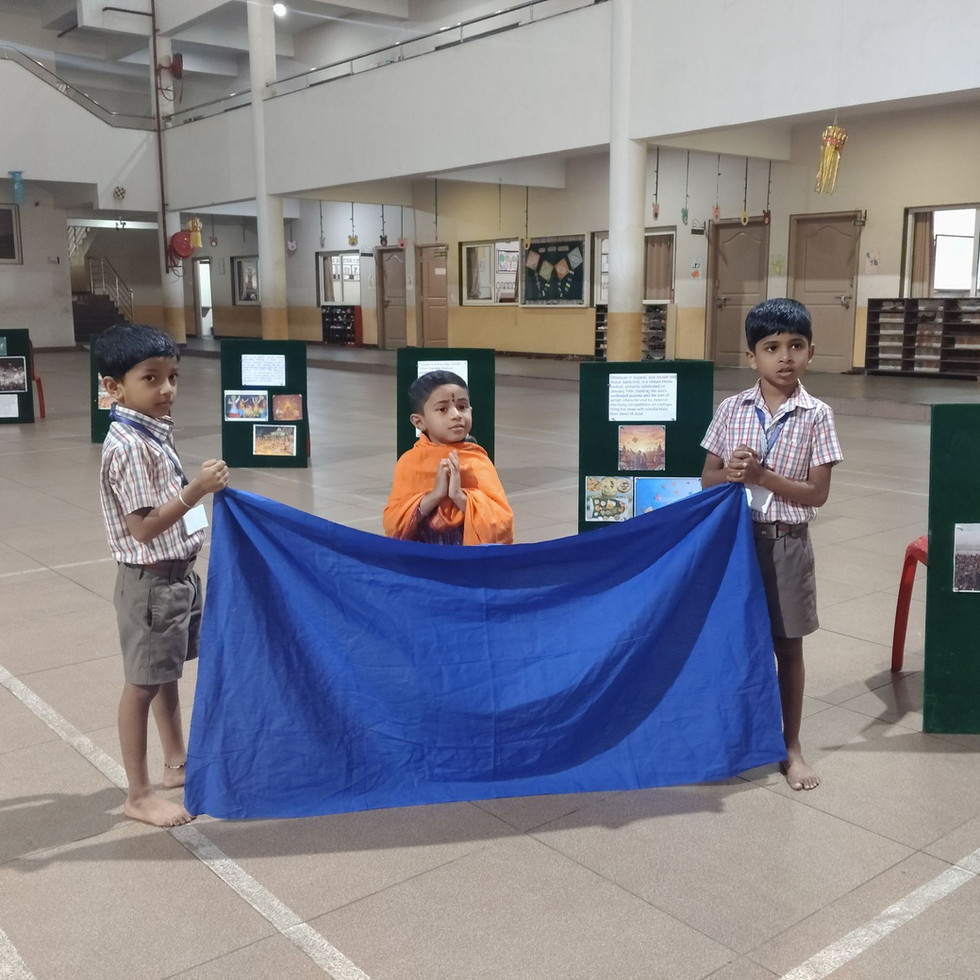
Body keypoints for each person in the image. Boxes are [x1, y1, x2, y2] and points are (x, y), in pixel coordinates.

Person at [700, 298, 842, 791]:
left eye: (796, 346)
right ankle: (732, 736)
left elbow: (817, 492)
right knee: (735, 641)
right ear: (751, 356)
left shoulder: (817, 415)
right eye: (772, 347)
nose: (785, 357)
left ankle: (791, 746)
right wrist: (733, 474)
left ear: (810, 352)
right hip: (736, 546)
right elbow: (708, 480)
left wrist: (763, 476)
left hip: (787, 545)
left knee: (788, 645)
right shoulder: (731, 409)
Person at [93, 323, 230, 827]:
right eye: (151, 379)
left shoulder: (149, 432)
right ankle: (139, 793)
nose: (166, 389)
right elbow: (145, 527)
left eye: (172, 376)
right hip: (150, 582)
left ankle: (177, 762)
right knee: (143, 683)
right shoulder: (130, 445)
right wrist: (196, 489)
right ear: (114, 387)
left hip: (175, 579)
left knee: (165, 671)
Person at [384, 370, 513, 545]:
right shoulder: (409, 462)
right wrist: (435, 495)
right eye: (443, 409)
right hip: (424, 562)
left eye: (462, 407)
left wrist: (459, 497)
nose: (456, 415)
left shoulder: (478, 461)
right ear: (419, 422)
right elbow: (393, 525)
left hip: (468, 563)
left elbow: (501, 523)